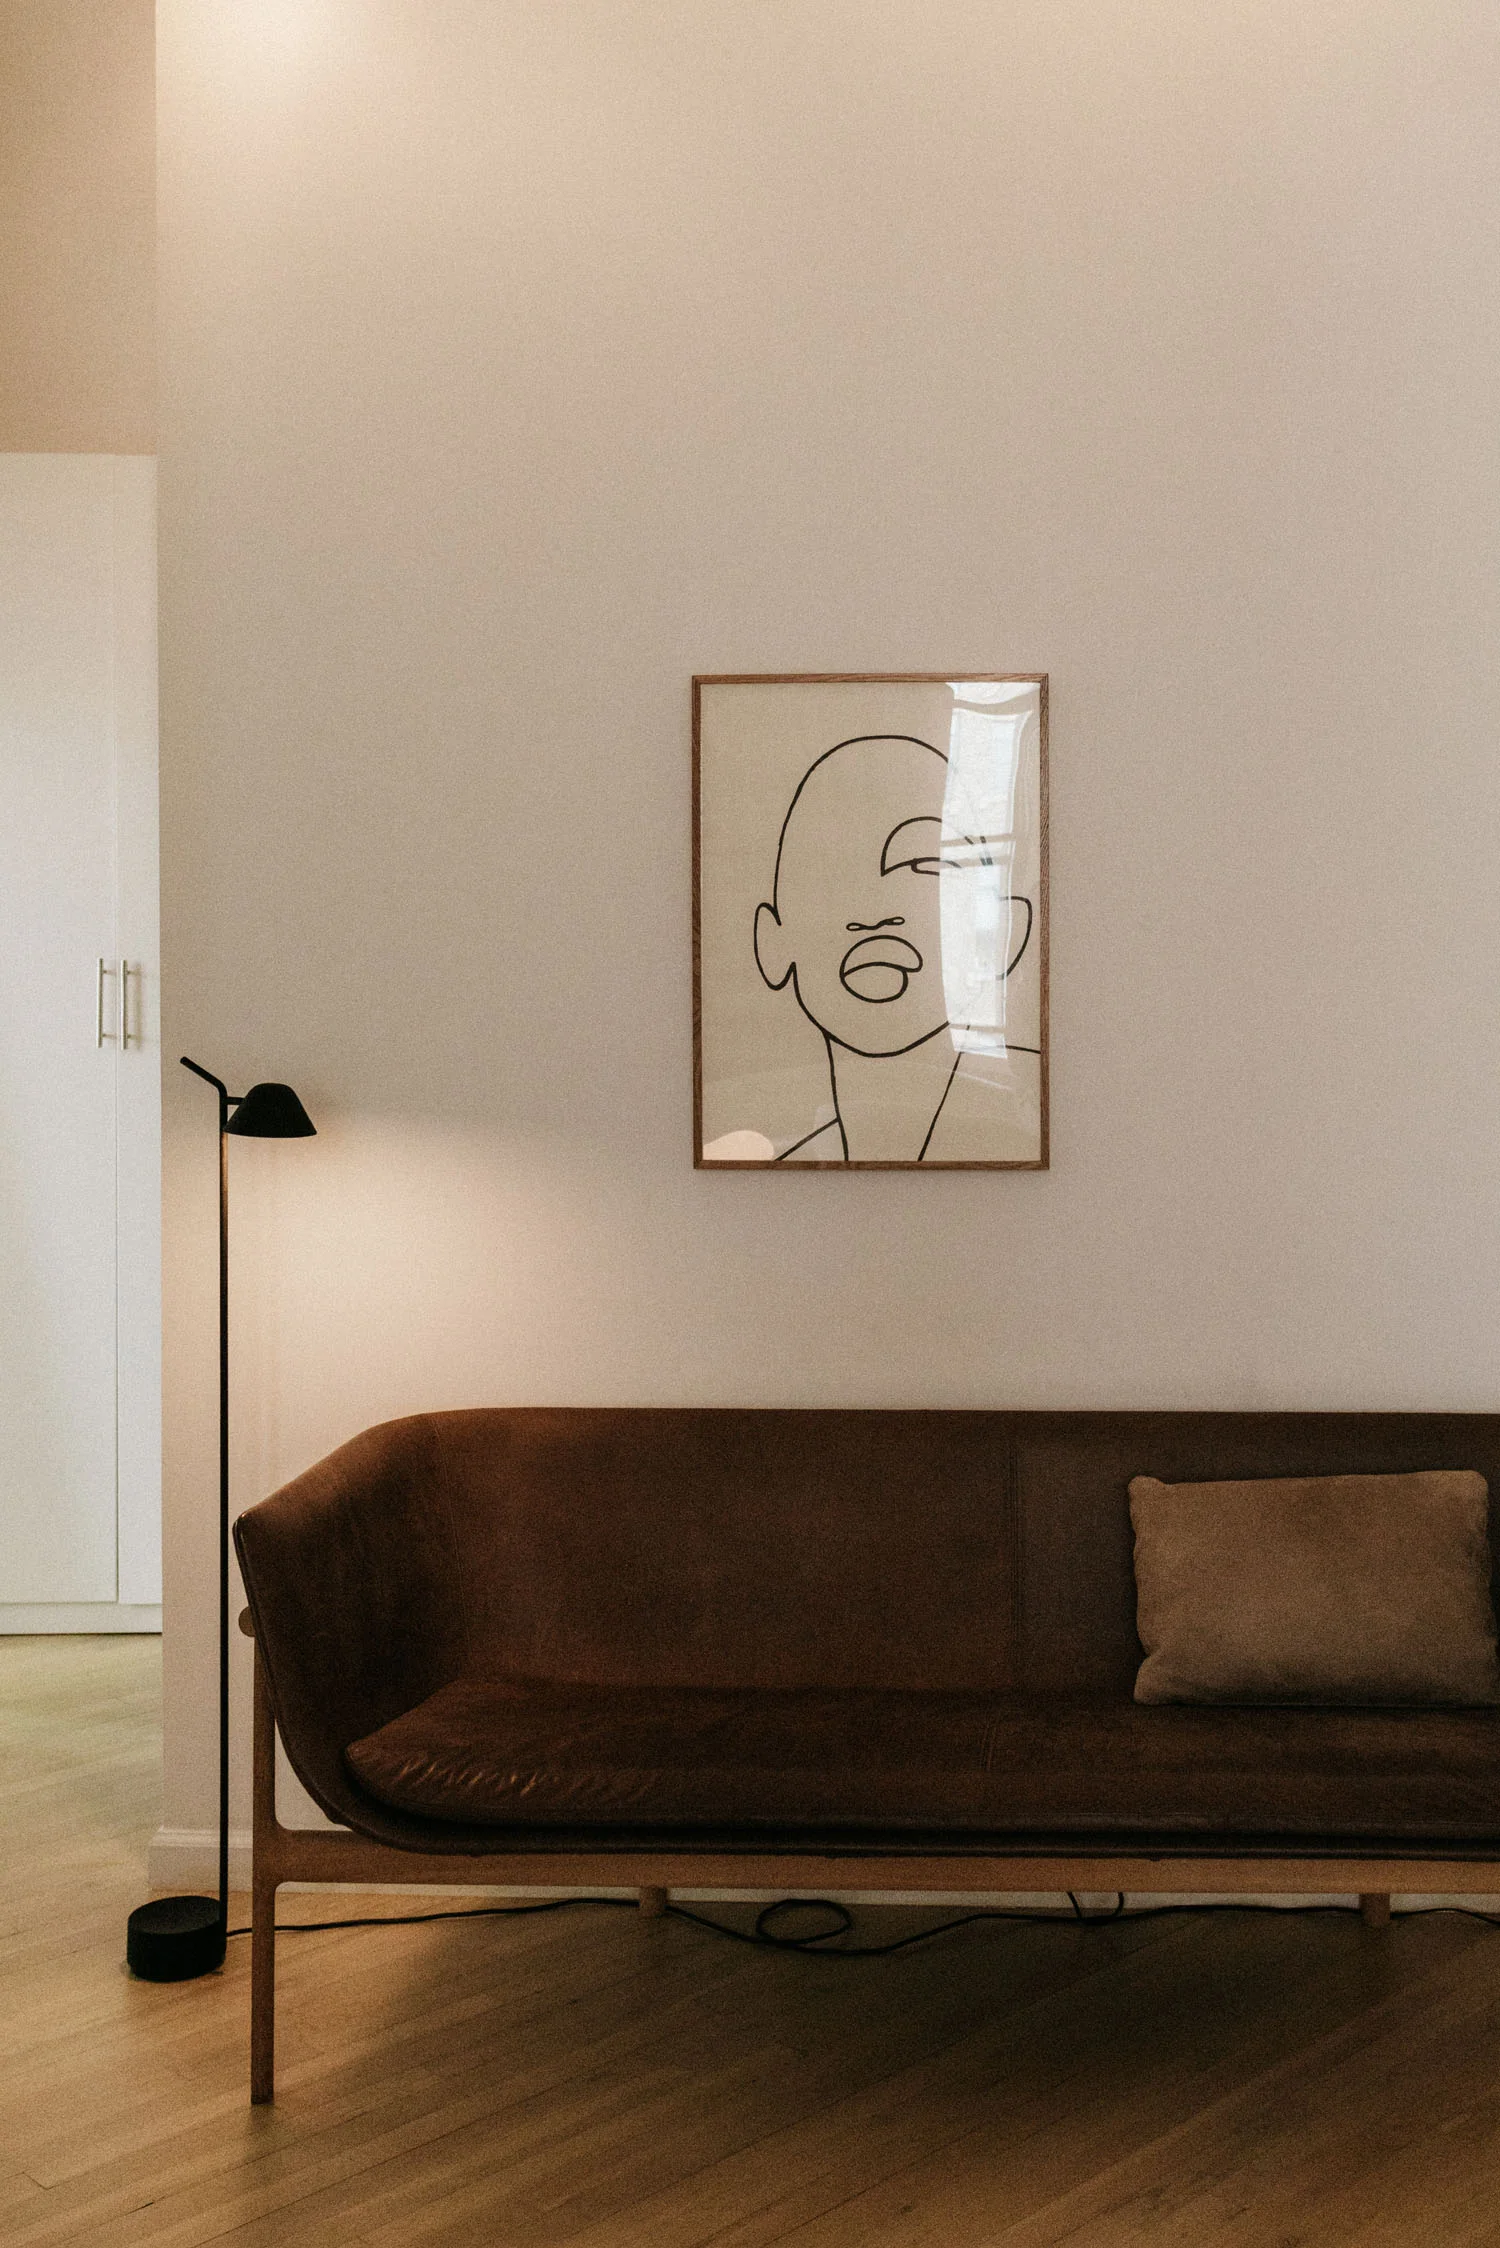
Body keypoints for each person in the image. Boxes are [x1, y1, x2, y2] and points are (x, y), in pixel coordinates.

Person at [751, 733, 1039, 1162]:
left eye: (924, 865)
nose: (873, 913)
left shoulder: (1026, 1129)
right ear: (771, 941)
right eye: (829, 875)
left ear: (1008, 933)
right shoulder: (785, 1157)